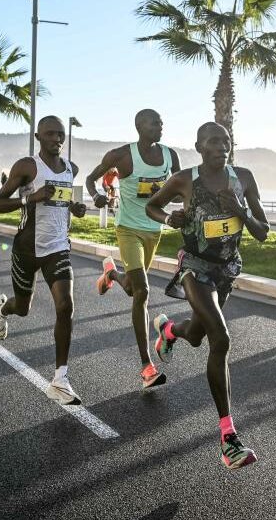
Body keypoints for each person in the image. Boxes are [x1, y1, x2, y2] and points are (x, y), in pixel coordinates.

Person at [146, 122, 270, 470]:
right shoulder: (185, 179)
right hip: (195, 268)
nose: (221, 147)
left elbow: (263, 232)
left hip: (226, 269)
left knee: (198, 335)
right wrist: (170, 218)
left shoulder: (243, 177)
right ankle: (228, 439)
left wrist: (240, 209)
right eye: (214, 142)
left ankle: (169, 331)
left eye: (226, 141)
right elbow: (152, 207)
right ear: (199, 146)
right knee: (221, 337)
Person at [0, 115, 88, 405]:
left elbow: (62, 199)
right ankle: (3, 309)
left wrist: (75, 207)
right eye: (51, 134)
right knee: (23, 308)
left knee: (65, 305)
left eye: (61, 135)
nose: (57, 139)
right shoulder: (27, 166)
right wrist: (28, 199)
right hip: (26, 249)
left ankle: (60, 379)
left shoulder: (72, 168)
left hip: (58, 248)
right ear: (38, 137)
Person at [84, 109, 180, 390]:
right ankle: (147, 367)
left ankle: (111, 274)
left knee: (132, 289)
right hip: (127, 229)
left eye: (162, 122)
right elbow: (90, 179)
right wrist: (95, 196)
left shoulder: (170, 156)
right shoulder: (120, 156)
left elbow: (184, 187)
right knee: (143, 291)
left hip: (153, 230)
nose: (160, 126)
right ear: (139, 127)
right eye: (154, 123)